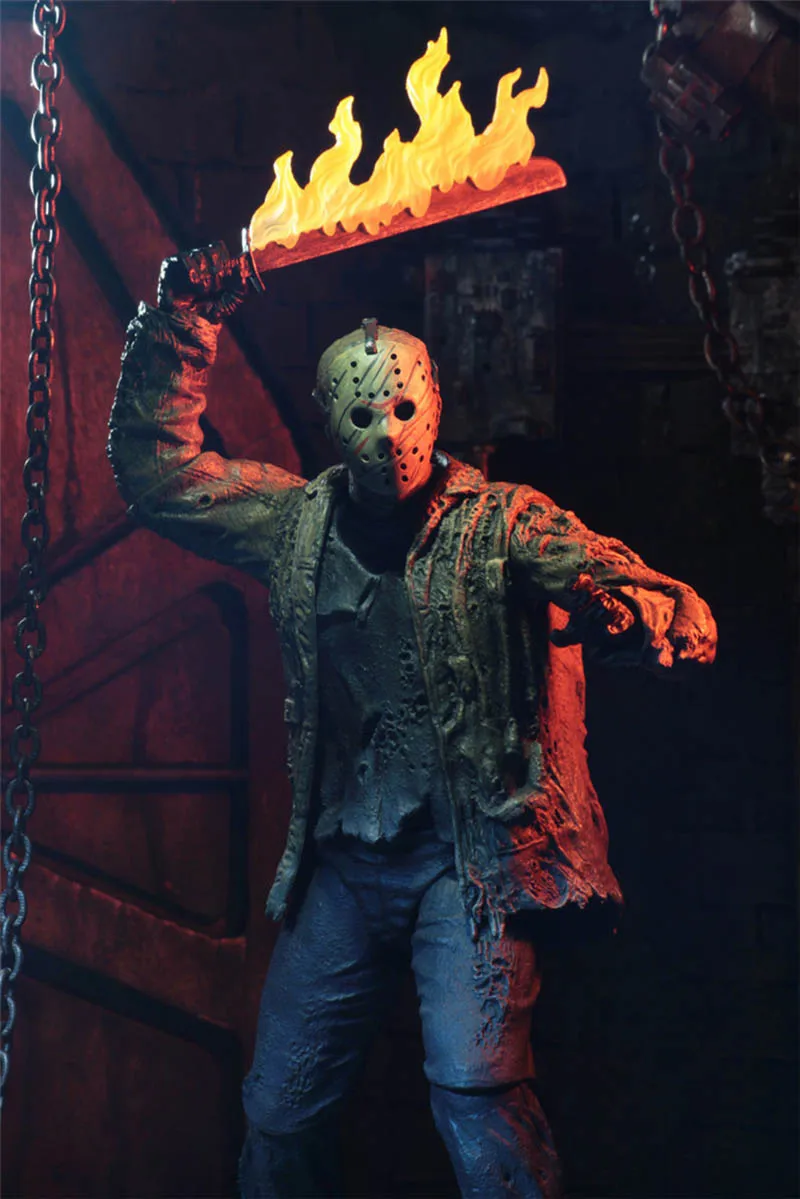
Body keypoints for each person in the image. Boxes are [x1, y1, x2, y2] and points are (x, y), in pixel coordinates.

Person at [108, 243, 716, 1199]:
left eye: (403, 409)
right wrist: (184, 323)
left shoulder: (503, 524)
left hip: (465, 866)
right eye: (363, 415)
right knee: (278, 1115)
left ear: (433, 406)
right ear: (329, 422)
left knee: (479, 1097)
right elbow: (159, 474)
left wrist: (633, 615)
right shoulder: (294, 524)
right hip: (345, 863)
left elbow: (656, 598)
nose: (388, 434)